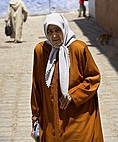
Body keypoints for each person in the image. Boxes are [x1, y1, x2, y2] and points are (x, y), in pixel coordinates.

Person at [31, 13, 104, 142]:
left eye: (57, 30)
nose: (54, 35)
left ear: (64, 28)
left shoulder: (78, 49)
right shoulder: (41, 51)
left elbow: (93, 78)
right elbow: (36, 85)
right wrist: (35, 113)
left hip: (77, 116)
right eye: (50, 31)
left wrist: (73, 95)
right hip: (51, 117)